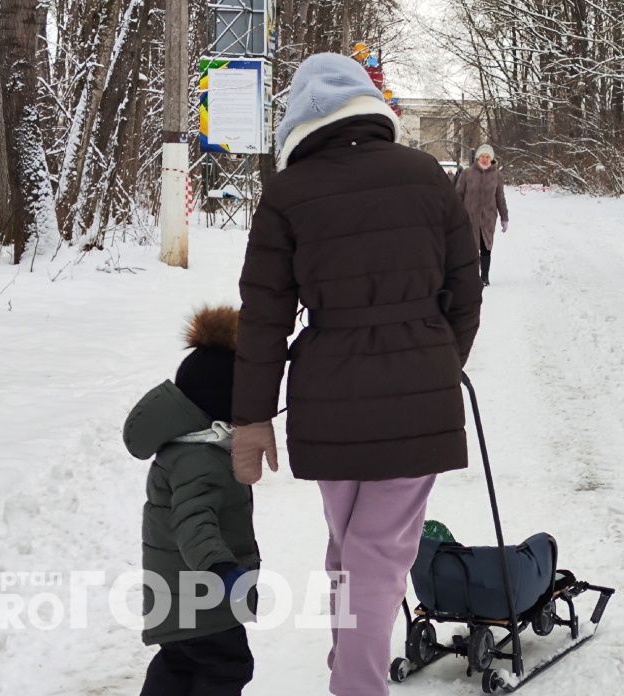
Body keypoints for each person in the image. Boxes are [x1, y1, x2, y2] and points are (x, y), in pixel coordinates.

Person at [229, 53, 483, 696]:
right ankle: (356, 684)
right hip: (417, 393)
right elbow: (465, 287)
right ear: (369, 105)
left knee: (351, 546)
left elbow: (264, 316)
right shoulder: (427, 175)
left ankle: (349, 669)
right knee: (374, 552)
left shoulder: (288, 193)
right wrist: (439, 360)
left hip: (328, 394)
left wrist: (252, 415)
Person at [123, 305, 260, 696]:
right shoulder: (200, 458)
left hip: (179, 597)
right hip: (205, 597)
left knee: (178, 664)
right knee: (227, 666)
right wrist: (219, 566)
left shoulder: (188, 447)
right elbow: (192, 518)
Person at [455, 144, 509, 286]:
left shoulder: (497, 175)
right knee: (470, 249)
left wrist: (504, 217)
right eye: (482, 156)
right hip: (469, 218)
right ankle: (472, 277)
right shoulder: (467, 173)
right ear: (478, 157)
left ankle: (484, 277)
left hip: (488, 218)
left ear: (491, 159)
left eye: (488, 157)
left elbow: (500, 198)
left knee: (486, 248)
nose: (485, 159)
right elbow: (457, 195)